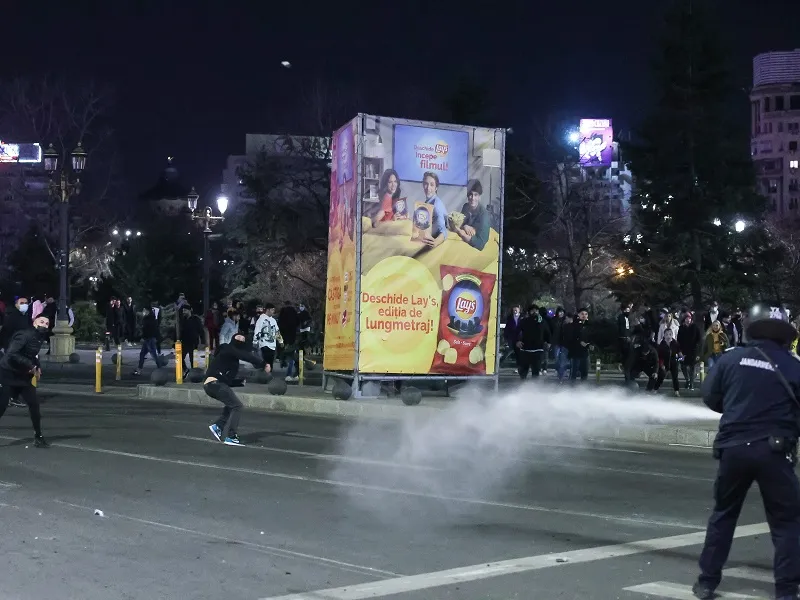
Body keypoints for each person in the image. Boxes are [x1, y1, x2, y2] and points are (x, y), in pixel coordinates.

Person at [692, 303, 800, 600]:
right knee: (786, 522)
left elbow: (711, 397)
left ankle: (707, 582)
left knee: (723, 515)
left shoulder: (731, 359)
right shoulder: (793, 366)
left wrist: (739, 409)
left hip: (734, 450)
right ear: (784, 335)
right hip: (774, 454)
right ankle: (787, 592)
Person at [204, 333, 268, 446]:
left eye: (242, 339)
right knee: (237, 406)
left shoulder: (233, 363)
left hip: (213, 385)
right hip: (214, 384)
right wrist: (263, 363)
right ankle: (231, 436)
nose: (240, 339)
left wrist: (239, 382)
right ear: (233, 339)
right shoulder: (227, 348)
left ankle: (218, 426)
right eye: (238, 337)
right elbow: (245, 355)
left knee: (231, 404)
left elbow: (227, 380)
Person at [0, 314, 51, 447]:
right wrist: (31, 365)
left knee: (34, 404)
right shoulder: (24, 335)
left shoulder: (40, 337)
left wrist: (37, 366)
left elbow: (33, 355)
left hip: (23, 376)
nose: (44, 325)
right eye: (41, 321)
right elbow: (12, 353)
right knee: (2, 406)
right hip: (8, 373)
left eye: (47, 323)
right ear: (34, 322)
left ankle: (38, 437)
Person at [515, 304, 550, 379]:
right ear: (529, 312)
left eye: (536, 310)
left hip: (538, 349)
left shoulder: (542, 322)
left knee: (536, 371)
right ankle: (522, 386)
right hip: (525, 349)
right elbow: (516, 332)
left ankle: (534, 387)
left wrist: (548, 342)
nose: (534, 312)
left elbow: (547, 333)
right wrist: (517, 341)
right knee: (523, 371)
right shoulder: (524, 321)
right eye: (532, 310)